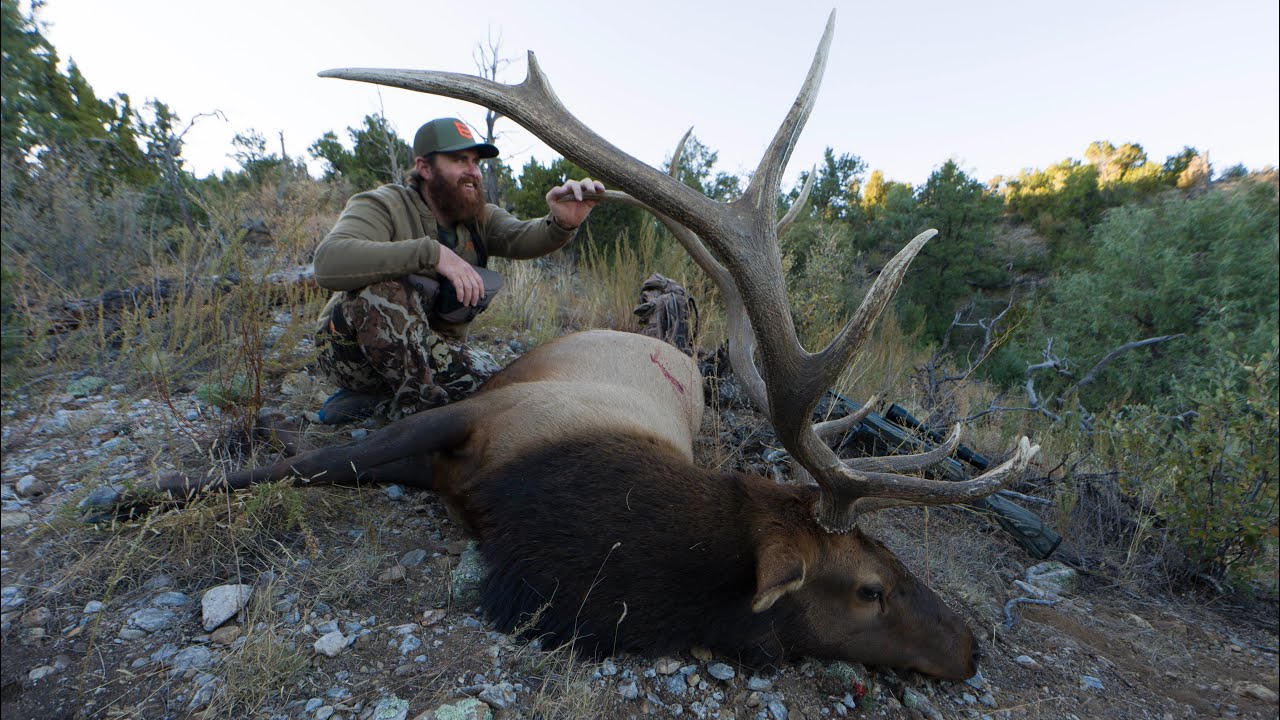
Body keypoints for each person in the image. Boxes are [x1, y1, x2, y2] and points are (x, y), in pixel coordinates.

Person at [311, 117, 604, 423]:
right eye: (458, 160)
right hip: (350, 354)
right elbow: (329, 261)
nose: (473, 172)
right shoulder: (383, 204)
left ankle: (373, 403)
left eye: (475, 162)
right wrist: (433, 254)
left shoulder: (478, 218)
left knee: (500, 386)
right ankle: (413, 416)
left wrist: (562, 223)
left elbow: (522, 237)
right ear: (425, 168)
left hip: (428, 349)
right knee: (384, 292)